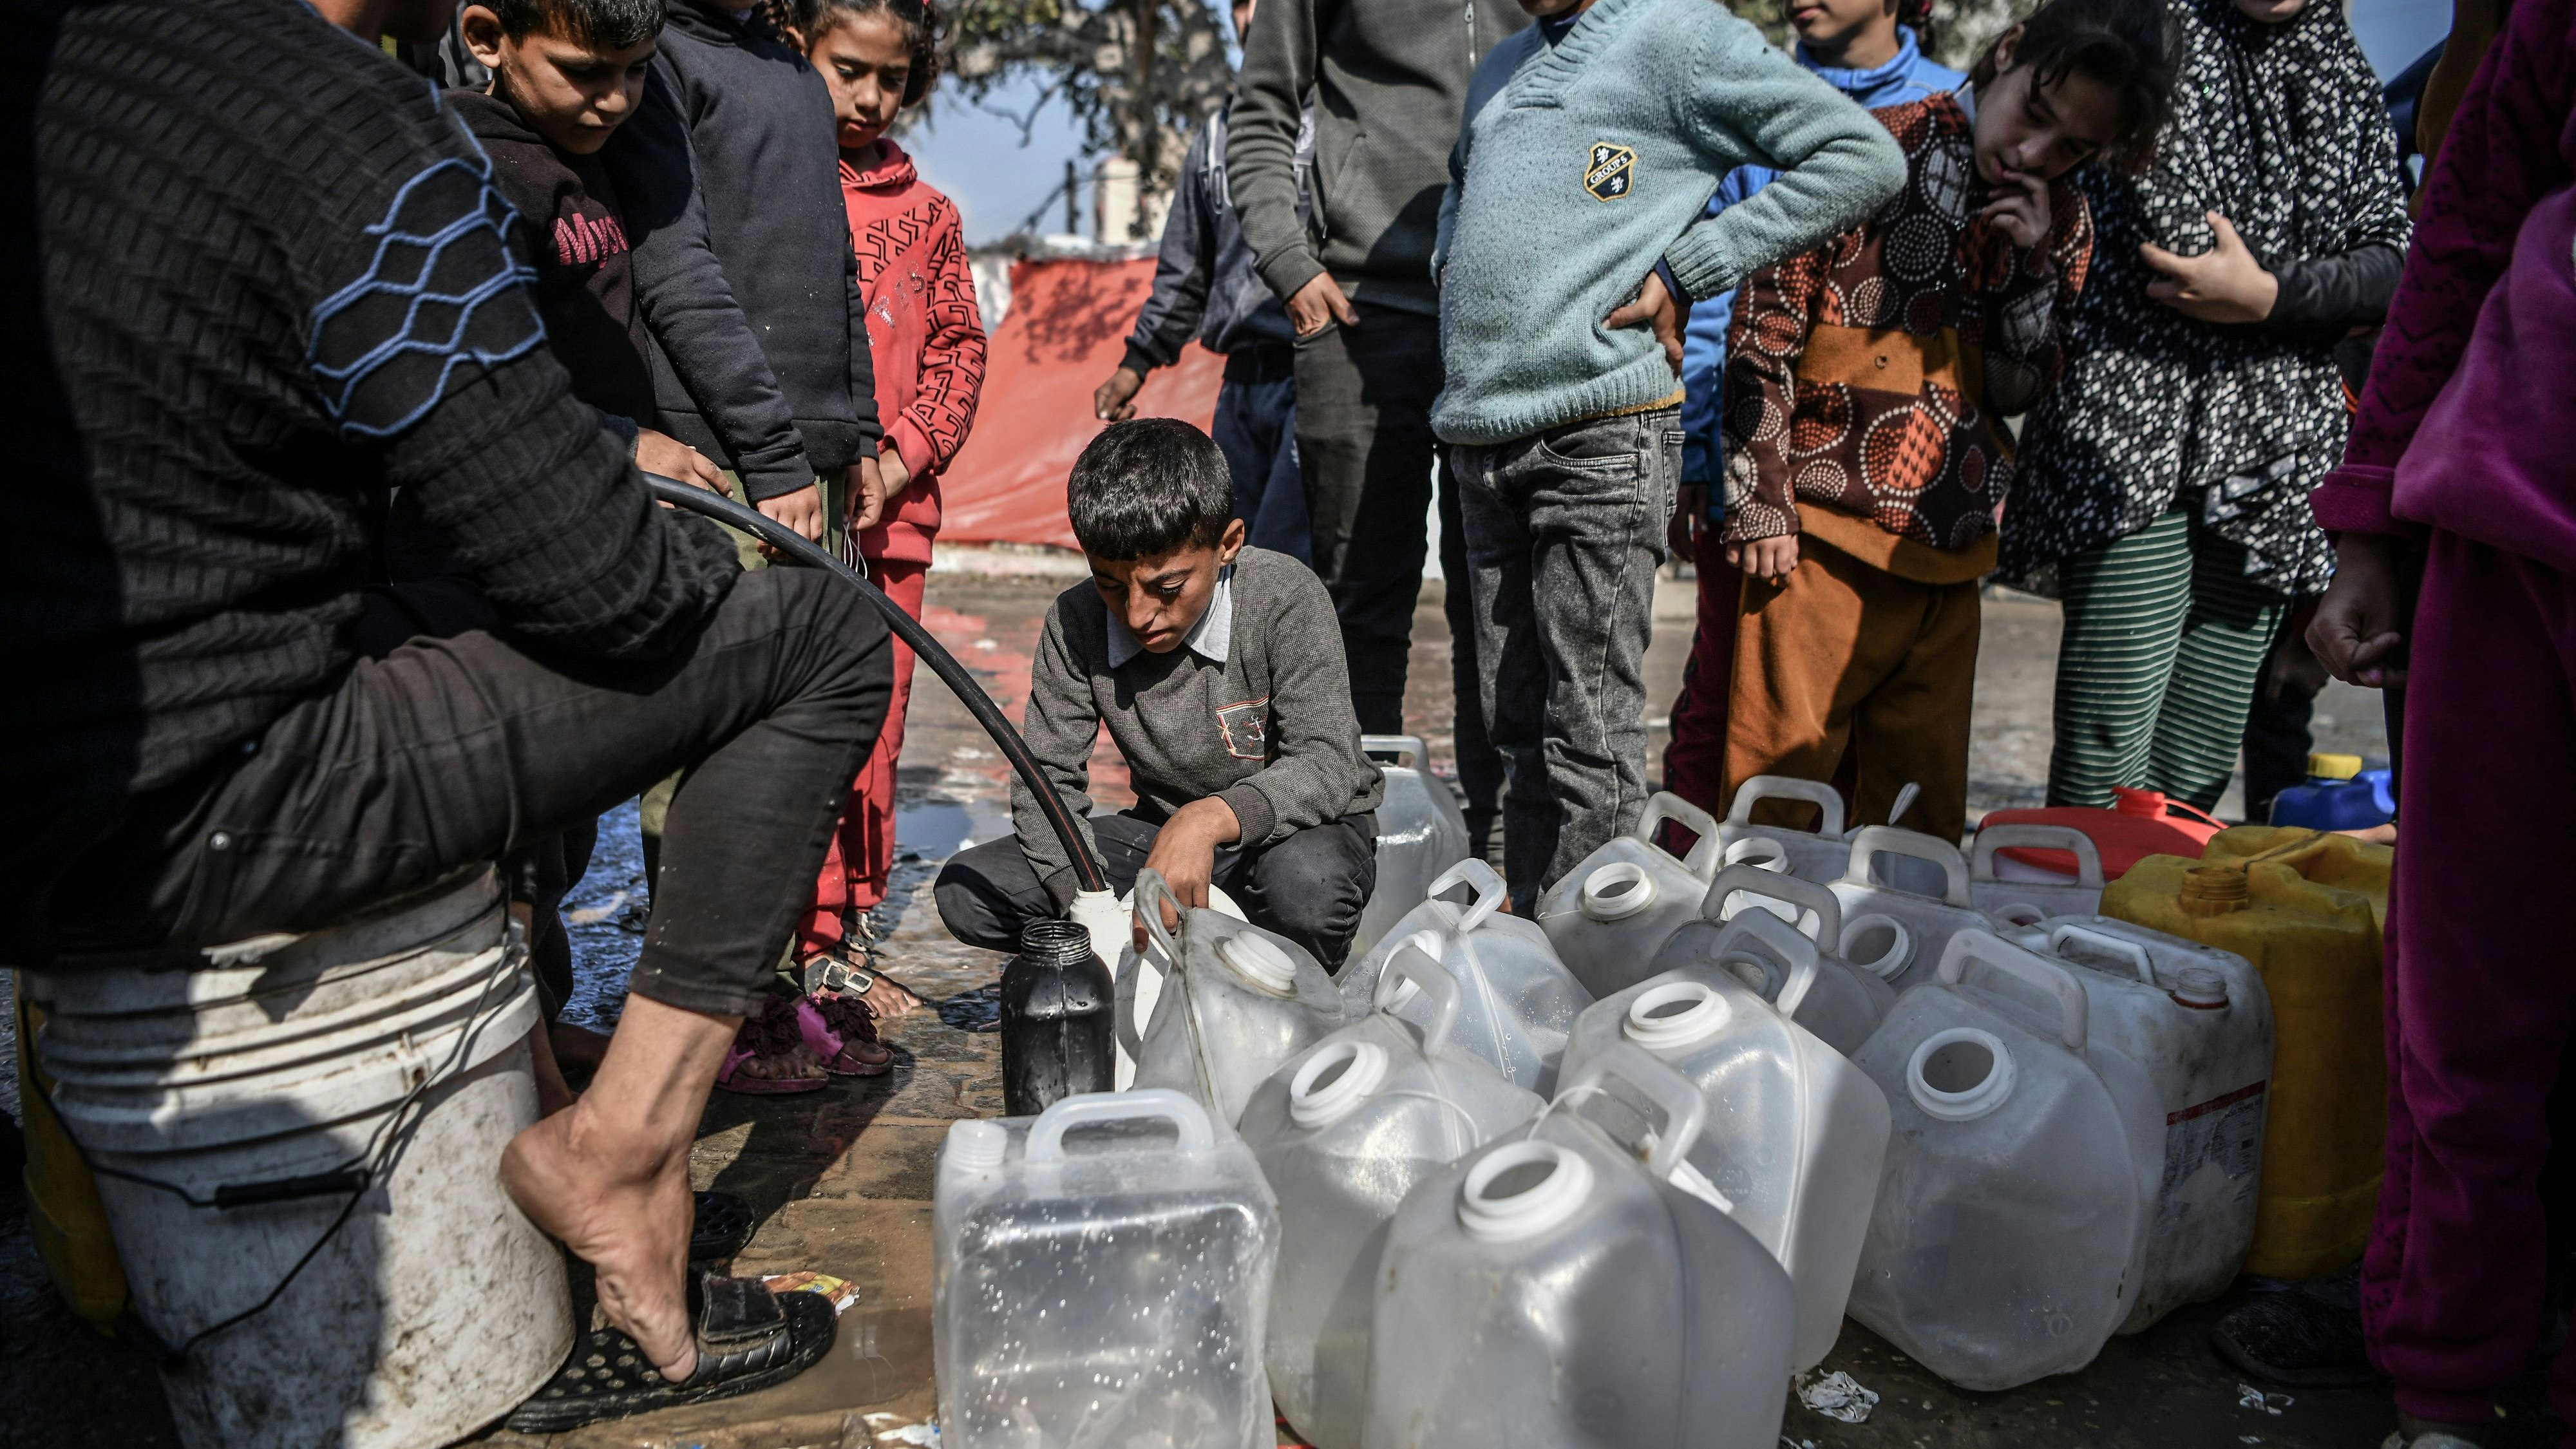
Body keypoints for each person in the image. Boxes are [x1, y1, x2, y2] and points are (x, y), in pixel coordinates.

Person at [3, 0, 893, 1412]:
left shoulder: (68, 55)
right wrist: (623, 488)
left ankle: (536, 1107)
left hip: (46, 829)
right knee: (821, 637)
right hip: (228, 794)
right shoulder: (339, 117)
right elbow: (598, 588)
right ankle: (626, 1156)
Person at [2218, 0, 2574, 1434]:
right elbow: (2461, 234)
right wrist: (2365, 519)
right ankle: (2443, 1372)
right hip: (2509, 533)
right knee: (2464, 996)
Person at [1431, 0, 1905, 904]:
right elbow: (1461, 181)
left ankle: (1594, 967)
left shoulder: (1679, 37)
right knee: (1516, 725)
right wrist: (1451, 260)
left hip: (1599, 434)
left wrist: (1692, 266)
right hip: (1481, 438)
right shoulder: (1503, 66)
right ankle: (1535, 950)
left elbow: (1862, 158)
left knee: (1588, 729)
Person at [436, 0, 826, 1069]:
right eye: (582, 72)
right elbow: (471, 375)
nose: (613, 99)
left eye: (636, 73)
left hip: (577, 522)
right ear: (486, 35)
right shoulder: (464, 166)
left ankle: (542, 1021)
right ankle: (514, 1060)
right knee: (510, 836)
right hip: (495, 551)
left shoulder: (590, 158)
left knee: (560, 827)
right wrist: (620, 441)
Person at [1716, 0, 2177, 849]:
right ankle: (1746, 963)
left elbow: (2017, 383)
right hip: (1814, 545)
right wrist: (1759, 502)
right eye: (2035, 115)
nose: (2033, 154)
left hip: (1949, 553)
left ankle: (1896, 979)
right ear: (2005, 54)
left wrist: (2034, 267)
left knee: (1918, 826)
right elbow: (1760, 332)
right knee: (1774, 804)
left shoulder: (2063, 218)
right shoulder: (1857, 149)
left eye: (2072, 148)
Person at [1998, 0, 2412, 815]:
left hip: (2271, 454)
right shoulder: (2149, 25)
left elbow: (2398, 265)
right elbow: (2182, 241)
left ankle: (2149, 935)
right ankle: (2056, 933)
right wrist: (2313, 289)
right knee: (2105, 747)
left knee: (2199, 755)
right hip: (2129, 436)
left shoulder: (2341, 70)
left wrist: (2266, 293)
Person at [1226, 0, 1524, 867]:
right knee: (1358, 600)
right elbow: (1262, 108)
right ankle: (1351, 859)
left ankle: (1507, 861)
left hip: (1513, 309)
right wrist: (1289, 259)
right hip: (1359, 308)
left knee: (1501, 601)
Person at [1660, 0, 1963, 817]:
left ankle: (1856, 918)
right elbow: (1711, 288)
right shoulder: (1748, 97)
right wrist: (1698, 455)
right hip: (1755, 471)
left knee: (1883, 729)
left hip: (1899, 492)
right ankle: (1690, 883)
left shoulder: (1953, 108)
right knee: (1725, 701)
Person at [934, 419, 1384, 969]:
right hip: (1159, 833)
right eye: (1111, 586)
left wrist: (1202, 822)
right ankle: (1153, 967)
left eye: (1167, 588)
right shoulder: (1074, 622)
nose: (1139, 614)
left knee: (1309, 888)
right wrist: (1089, 900)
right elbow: (1046, 779)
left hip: (1287, 839)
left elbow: (1328, 763)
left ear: (1228, 546)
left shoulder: (1285, 596)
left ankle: (1288, 993)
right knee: (969, 892)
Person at [633, 0, 890, 895]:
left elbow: (839, 263)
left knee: (792, 742)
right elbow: (675, 269)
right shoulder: (657, 54)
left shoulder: (792, 73)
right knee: (707, 742)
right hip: (721, 460)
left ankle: (773, 990)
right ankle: (700, 1007)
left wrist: (855, 430)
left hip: (808, 461)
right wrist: (773, 456)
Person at [777, 0, 982, 1011]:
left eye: (888, 79)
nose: (866, 95)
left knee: (878, 730)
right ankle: (799, 929)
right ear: (798, 53)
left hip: (892, 525)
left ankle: (853, 914)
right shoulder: (770, 191)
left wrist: (897, 465)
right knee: (796, 724)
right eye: (843, 67)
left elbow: (958, 353)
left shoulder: (932, 217)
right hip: (785, 514)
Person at [1094, 0, 1312, 564]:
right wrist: (1135, 364)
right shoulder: (1216, 136)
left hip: (1318, 371)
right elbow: (1184, 271)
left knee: (1291, 557)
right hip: (1242, 381)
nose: (1255, 16)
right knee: (1225, 550)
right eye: (1240, 3)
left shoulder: (1341, 120)